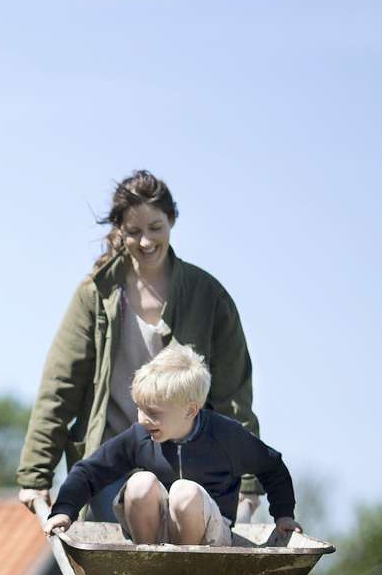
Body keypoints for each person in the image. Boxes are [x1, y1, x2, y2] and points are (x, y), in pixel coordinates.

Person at [16, 170, 263, 523]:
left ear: (172, 221)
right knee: (126, 544)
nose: (145, 241)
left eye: (155, 228)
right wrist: (35, 474)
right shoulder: (97, 296)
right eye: (134, 232)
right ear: (119, 231)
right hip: (115, 457)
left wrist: (249, 482)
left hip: (189, 460)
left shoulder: (207, 296)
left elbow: (234, 396)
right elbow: (60, 388)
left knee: (186, 551)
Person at [40, 344, 301, 544]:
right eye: (140, 409)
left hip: (208, 537)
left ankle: (185, 567)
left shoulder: (224, 436)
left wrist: (284, 514)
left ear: (190, 410)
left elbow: (272, 467)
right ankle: (147, 558)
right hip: (157, 531)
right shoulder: (141, 436)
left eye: (153, 412)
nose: (143, 419)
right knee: (140, 484)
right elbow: (89, 471)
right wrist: (65, 510)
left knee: (184, 493)